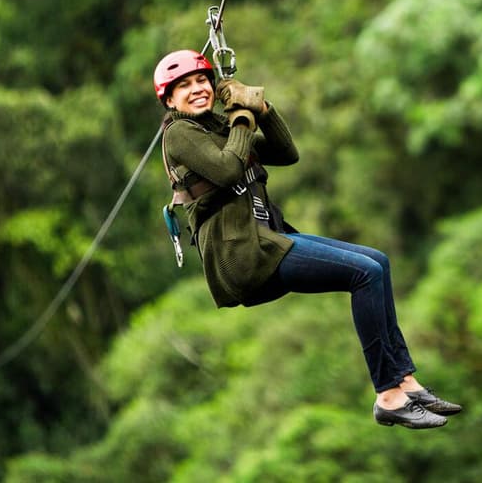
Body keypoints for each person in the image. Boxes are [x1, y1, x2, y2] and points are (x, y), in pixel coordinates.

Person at [154, 49, 462, 429]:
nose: (197, 89)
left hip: (267, 240)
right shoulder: (180, 134)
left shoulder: (218, 128)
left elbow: (287, 153)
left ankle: (405, 382)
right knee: (363, 274)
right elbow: (230, 170)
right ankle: (388, 395)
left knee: (377, 263)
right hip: (243, 257)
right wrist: (241, 119)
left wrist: (262, 110)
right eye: (184, 86)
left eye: (202, 80)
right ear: (170, 100)